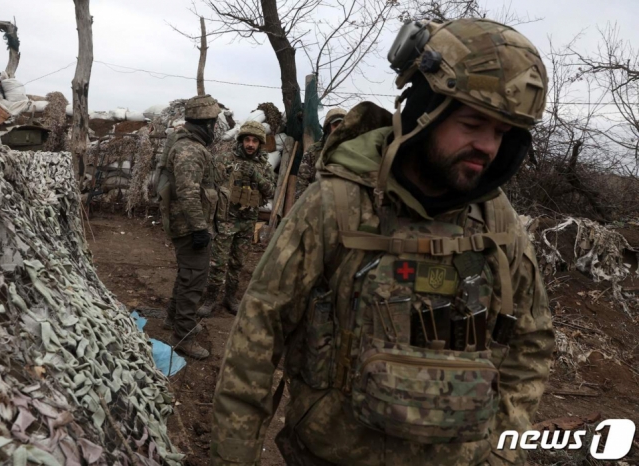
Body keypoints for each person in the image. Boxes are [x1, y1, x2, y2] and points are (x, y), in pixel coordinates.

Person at [211, 18, 555, 466]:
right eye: (472, 123)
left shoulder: (497, 222)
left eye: (502, 133)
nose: (487, 146)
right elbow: (256, 337)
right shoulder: (337, 204)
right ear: (426, 108)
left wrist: (502, 453)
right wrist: (233, 457)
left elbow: (531, 342)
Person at [156, 94, 220, 360]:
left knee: (188, 274)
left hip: (187, 224)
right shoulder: (190, 150)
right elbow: (187, 192)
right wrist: (199, 229)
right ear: (205, 124)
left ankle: (174, 319)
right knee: (194, 280)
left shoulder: (190, 144)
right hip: (189, 226)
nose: (215, 128)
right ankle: (183, 337)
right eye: (213, 123)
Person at [197, 120, 276, 317]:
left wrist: (256, 176)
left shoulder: (264, 165)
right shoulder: (225, 159)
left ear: (259, 143)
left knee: (238, 263)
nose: (250, 144)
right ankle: (210, 298)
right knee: (218, 262)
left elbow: (270, 191)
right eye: (247, 140)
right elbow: (211, 184)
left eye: (254, 141)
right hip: (226, 219)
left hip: (248, 221)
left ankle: (231, 297)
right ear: (241, 141)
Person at [295, 107, 347, 201]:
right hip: (320, 204)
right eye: (335, 125)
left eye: (342, 125)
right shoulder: (314, 151)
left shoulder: (354, 150)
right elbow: (302, 182)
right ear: (328, 128)